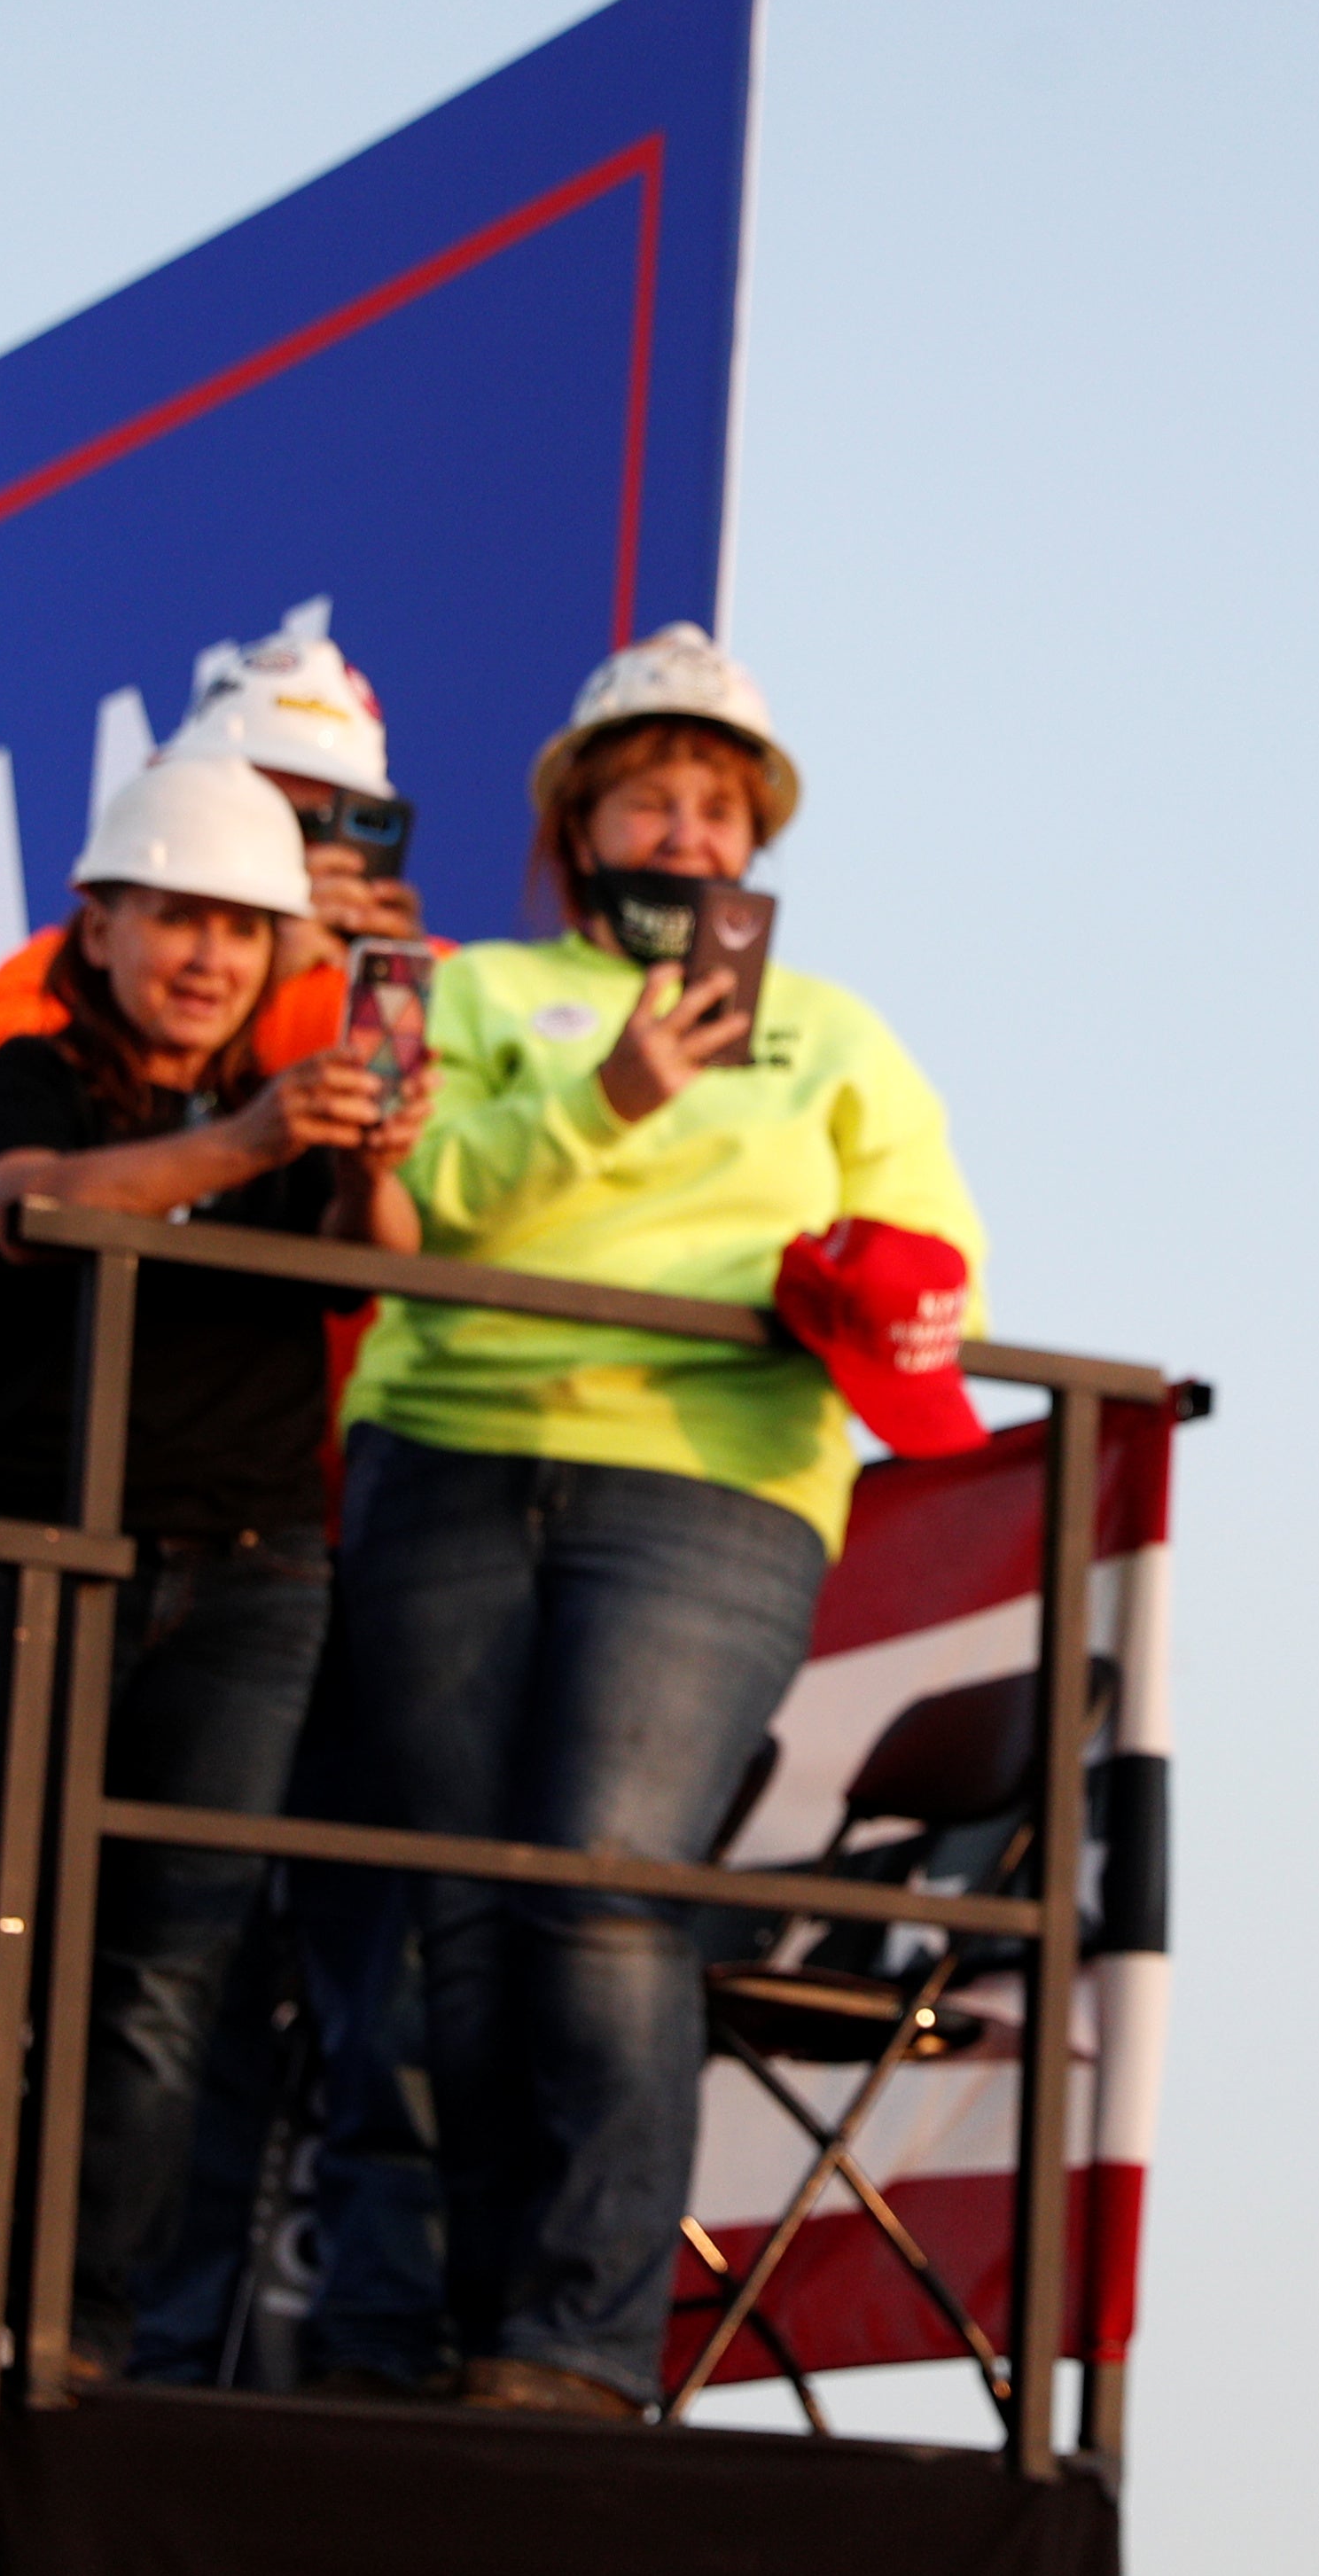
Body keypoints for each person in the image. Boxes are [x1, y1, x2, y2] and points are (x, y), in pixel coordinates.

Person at [325, 623, 989, 2416]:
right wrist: (610, 1099)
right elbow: (411, 1219)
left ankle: (573, 2346)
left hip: (708, 1487)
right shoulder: (470, 994)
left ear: (755, 840)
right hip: (448, 1457)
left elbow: (940, 1255)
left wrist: (865, 1274)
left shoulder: (838, 1033)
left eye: (720, 805)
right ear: (580, 819)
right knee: (457, 1910)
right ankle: (434, 2339)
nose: (688, 833)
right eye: (651, 796)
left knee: (610, 1894)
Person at [0, 749, 418, 2369]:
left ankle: (74, 2331)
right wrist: (257, 1131)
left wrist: (371, 1157)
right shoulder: (36, 1065)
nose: (209, 955)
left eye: (244, 927)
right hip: (32, 1553)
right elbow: (29, 1202)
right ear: (101, 921)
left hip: (254, 1569)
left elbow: (376, 1277)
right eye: (178, 916)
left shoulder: (295, 1087)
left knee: (164, 1975)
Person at [0, 597, 425, 1073]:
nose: (285, 843)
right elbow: (14, 1102)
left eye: (315, 823)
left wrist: (404, 998)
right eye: (263, 808)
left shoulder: (418, 971)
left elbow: (420, 1130)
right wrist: (261, 974)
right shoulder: (76, 968)